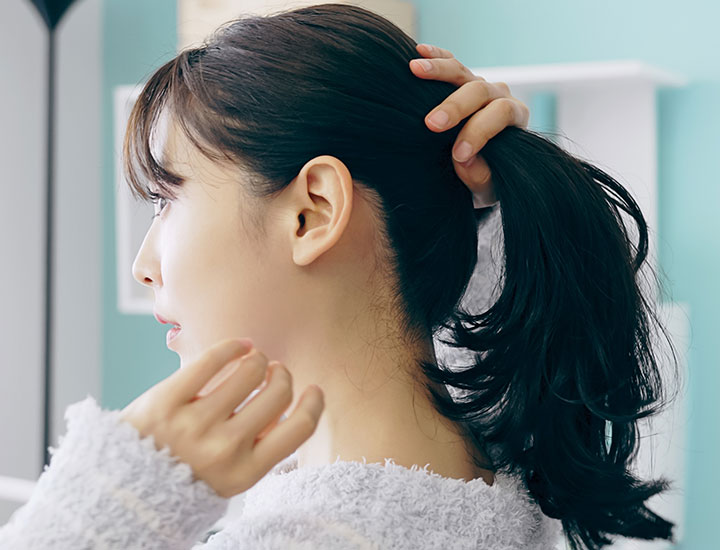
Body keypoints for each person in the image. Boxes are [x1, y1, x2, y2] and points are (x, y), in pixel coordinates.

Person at [0, 4, 676, 549]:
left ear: (312, 212)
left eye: (165, 200)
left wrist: (106, 506)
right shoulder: (496, 465)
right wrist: (486, 196)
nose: (143, 266)